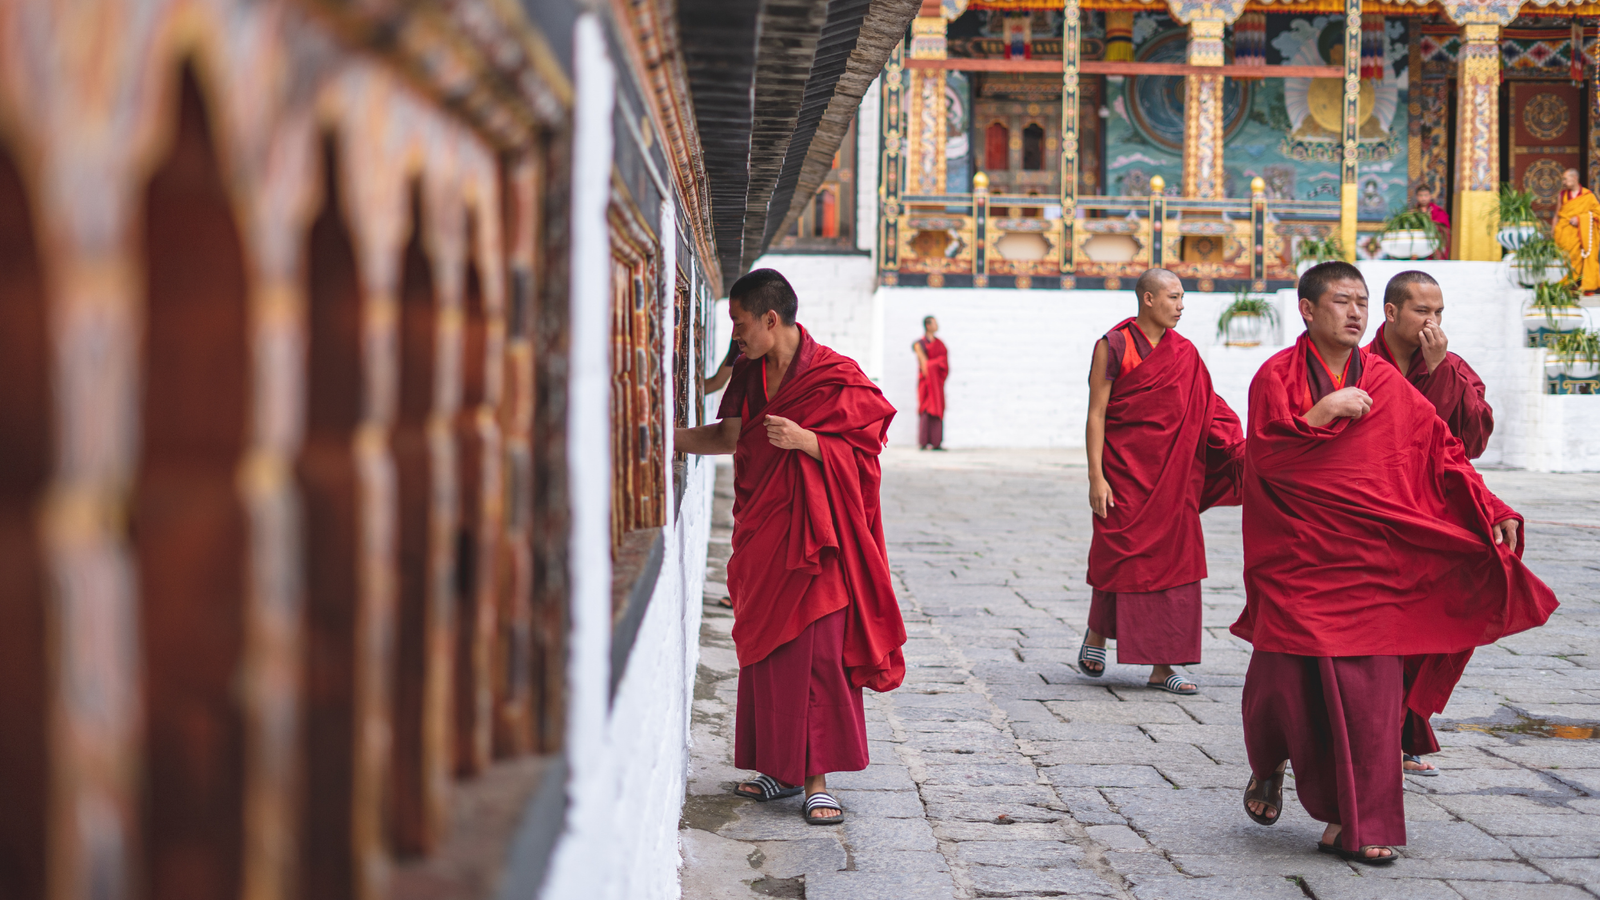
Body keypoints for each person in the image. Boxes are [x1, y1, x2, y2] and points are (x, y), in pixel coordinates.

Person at [1234, 261, 1558, 865]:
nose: (1355, 312)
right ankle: (1269, 764)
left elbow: (1440, 448)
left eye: (1361, 301)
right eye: (1341, 301)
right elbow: (1266, 460)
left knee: (1371, 692)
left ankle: (1354, 821)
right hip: (1298, 558)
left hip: (1370, 564)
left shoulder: (1384, 379)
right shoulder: (1274, 376)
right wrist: (1322, 414)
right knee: (1282, 687)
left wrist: (1492, 504)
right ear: (1307, 310)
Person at [674, 268, 906, 825]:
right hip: (765, 531)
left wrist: (811, 443)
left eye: (740, 324)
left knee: (819, 652)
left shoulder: (835, 376)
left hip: (818, 538)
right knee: (769, 650)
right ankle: (779, 768)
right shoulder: (751, 374)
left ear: (770, 320)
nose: (736, 337)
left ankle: (818, 780)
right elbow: (729, 438)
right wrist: (666, 440)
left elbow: (867, 455)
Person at [1080, 268, 1245, 695]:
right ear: (1148, 299)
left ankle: (1163, 666)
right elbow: (1096, 413)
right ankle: (1097, 634)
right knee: (1121, 554)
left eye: (1183, 297)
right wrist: (1096, 477)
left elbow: (1208, 405)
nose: (1181, 305)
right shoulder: (1112, 346)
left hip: (1174, 478)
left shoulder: (1185, 353)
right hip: (1124, 471)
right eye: (1173, 297)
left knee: (1173, 564)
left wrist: (1237, 444)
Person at [1367, 270, 1497, 777]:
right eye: (1423, 311)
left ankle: (1405, 731)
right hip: (1373, 510)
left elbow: (1470, 439)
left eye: (1439, 313)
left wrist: (1442, 371)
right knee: (1376, 628)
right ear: (1392, 312)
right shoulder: (1359, 363)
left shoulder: (1452, 367)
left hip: (1433, 513)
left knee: (1432, 627)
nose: (1433, 322)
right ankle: (1371, 733)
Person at [1554, 168, 1600, 294]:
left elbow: (1598, 213)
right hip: (1564, 233)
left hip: (1582, 234)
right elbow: (1557, 215)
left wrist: (1580, 219)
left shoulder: (1588, 196)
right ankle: (1569, 283)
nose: (1563, 182)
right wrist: (1554, 232)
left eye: (1565, 179)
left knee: (1582, 258)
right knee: (1568, 259)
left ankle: (1583, 284)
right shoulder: (1562, 195)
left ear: (1574, 178)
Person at [912, 316, 949, 450]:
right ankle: (923, 442)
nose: (937, 325)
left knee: (937, 408)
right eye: (934, 323)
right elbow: (924, 365)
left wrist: (935, 364)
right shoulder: (919, 344)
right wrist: (935, 364)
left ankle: (936, 442)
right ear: (928, 325)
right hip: (926, 383)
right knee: (926, 409)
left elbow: (944, 361)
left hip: (936, 383)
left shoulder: (940, 344)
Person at [1416, 185, 1450, 260]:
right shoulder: (1413, 212)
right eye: (1420, 195)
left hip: (1433, 246)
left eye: (1426, 195)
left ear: (1430, 196)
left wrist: (1429, 221)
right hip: (1418, 246)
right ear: (1417, 197)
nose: (1423, 198)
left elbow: (1444, 230)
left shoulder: (1438, 211)